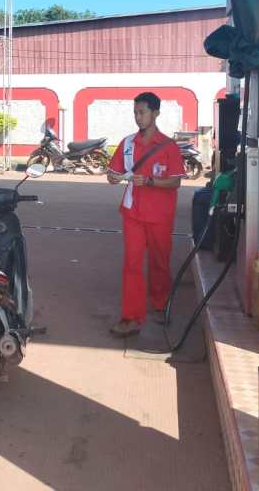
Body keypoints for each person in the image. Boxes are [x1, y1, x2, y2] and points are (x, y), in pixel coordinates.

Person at [106, 92, 185, 338]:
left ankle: (161, 304)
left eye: (142, 112)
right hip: (132, 213)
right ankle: (131, 317)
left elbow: (175, 182)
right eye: (135, 113)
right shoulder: (127, 143)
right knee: (132, 265)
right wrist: (113, 177)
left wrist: (150, 181)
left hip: (160, 215)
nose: (138, 117)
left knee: (160, 262)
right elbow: (113, 172)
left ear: (156, 113)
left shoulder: (169, 146)